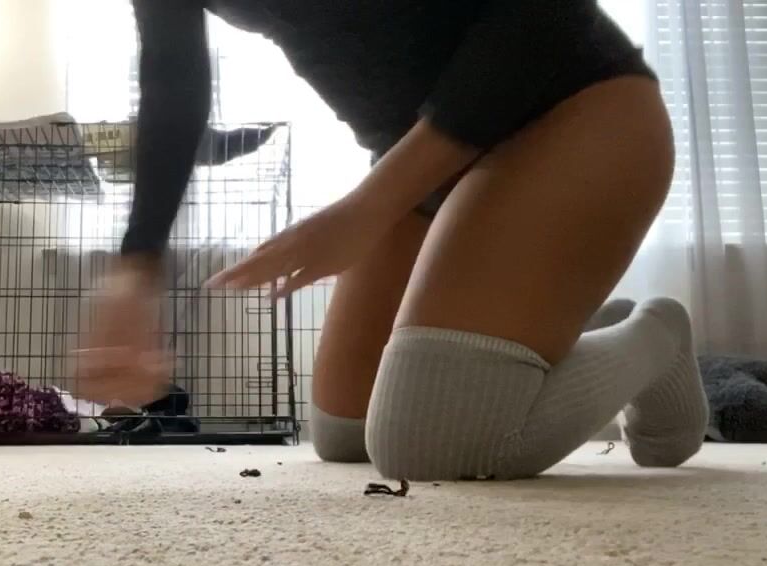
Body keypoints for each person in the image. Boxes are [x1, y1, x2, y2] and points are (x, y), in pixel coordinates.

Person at [75, 0, 709, 481]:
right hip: (423, 163)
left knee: (431, 443)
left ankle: (658, 336)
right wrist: (138, 267)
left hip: (574, 108)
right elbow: (173, 80)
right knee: (346, 431)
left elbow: (544, 15)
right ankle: (564, 328)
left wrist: (367, 208)